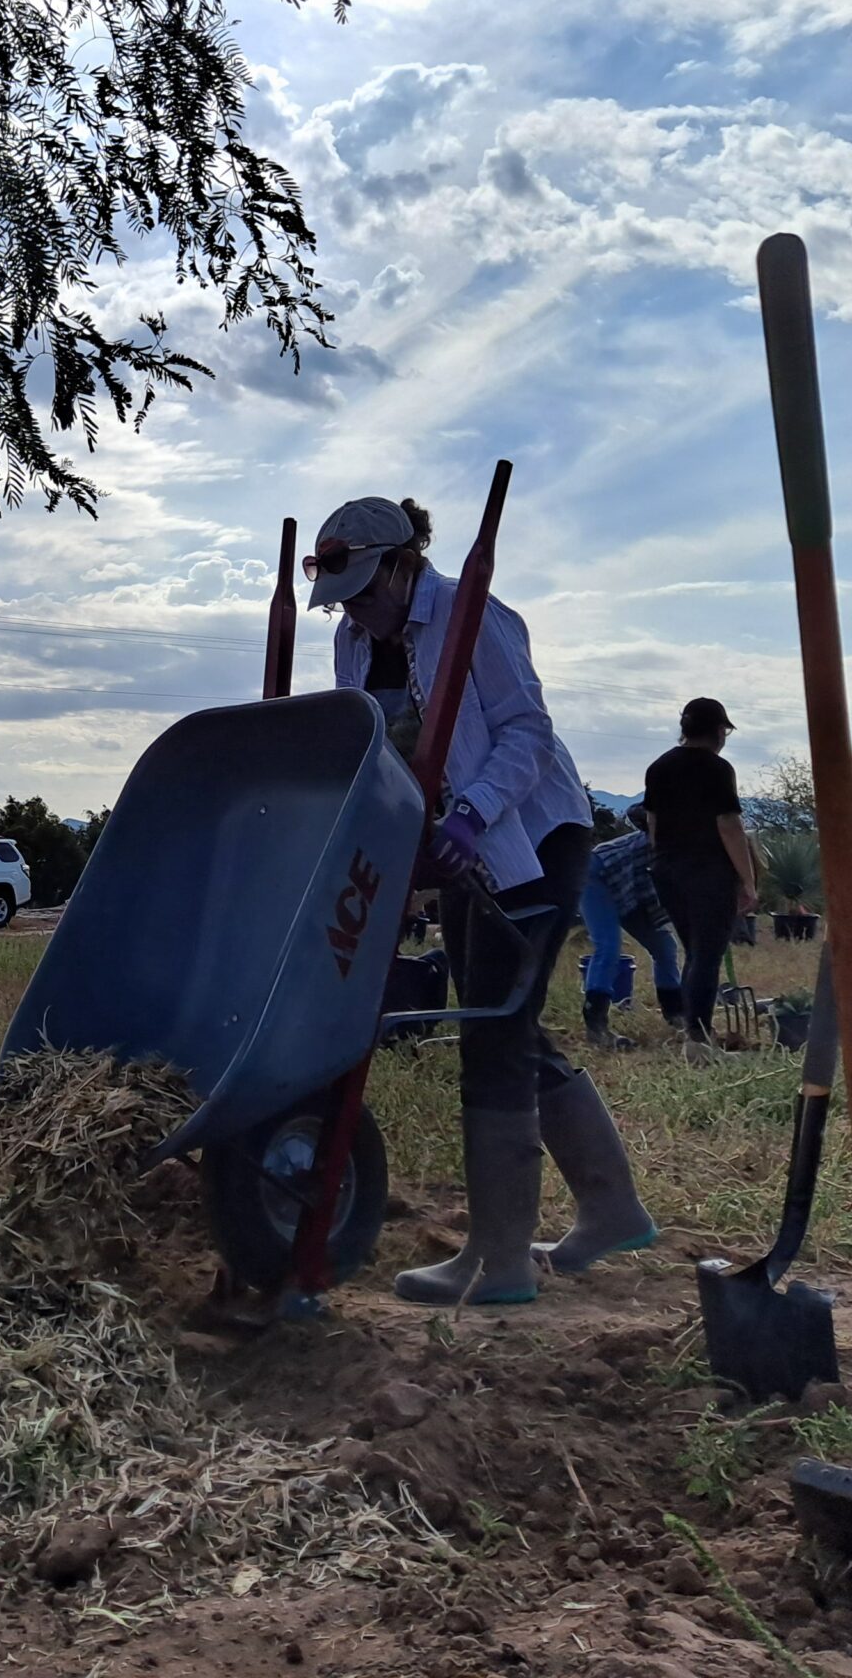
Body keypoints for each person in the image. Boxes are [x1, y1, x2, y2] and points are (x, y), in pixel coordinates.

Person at [310, 496, 656, 1305]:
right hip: (450, 854)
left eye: (366, 588)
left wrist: (472, 813)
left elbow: (527, 733)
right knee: (510, 1022)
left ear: (403, 564)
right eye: (343, 595)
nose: (356, 608)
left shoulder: (475, 617)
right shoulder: (353, 640)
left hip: (527, 841)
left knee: (494, 1034)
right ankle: (611, 1207)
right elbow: (371, 754)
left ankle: (498, 1259)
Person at [641, 699, 759, 1045]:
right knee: (708, 954)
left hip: (667, 869)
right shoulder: (717, 769)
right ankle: (698, 1035)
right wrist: (748, 881)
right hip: (708, 871)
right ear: (719, 731)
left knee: (694, 950)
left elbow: (652, 821)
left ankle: (690, 1024)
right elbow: (729, 825)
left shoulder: (658, 767)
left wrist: (664, 857)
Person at [577, 804, 684, 1047]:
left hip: (632, 887)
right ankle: (597, 1028)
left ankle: (676, 1014)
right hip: (598, 873)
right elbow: (637, 811)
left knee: (665, 947)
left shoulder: (684, 849)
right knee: (608, 946)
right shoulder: (663, 838)